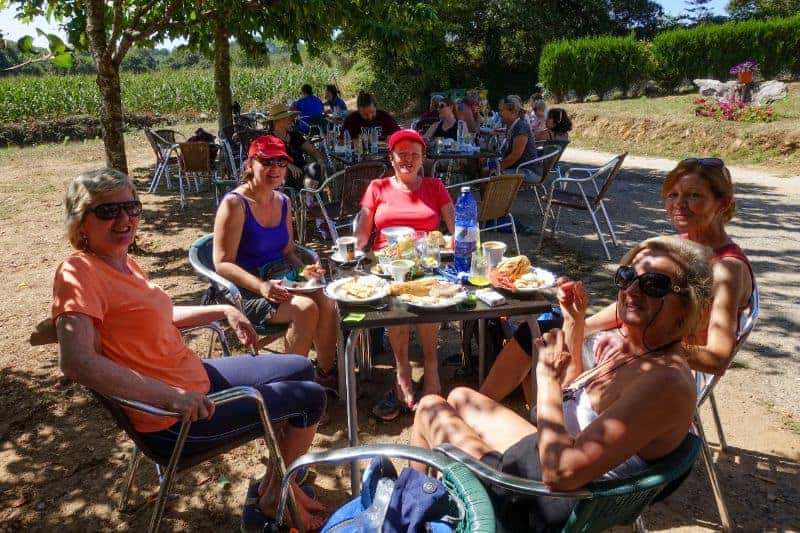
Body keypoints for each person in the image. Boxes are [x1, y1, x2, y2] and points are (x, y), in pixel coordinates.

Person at [52, 169, 327, 530]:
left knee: (301, 368)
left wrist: (223, 309)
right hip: (174, 417)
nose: (124, 219)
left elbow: (158, 313)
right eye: (107, 211)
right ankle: (275, 492)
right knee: (311, 398)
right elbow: (77, 361)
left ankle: (278, 479)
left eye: (131, 208)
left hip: (191, 376)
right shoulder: (78, 272)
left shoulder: (121, 260)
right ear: (81, 221)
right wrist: (169, 396)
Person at [411, 236, 713, 531]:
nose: (633, 289)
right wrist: (574, 322)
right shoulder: (642, 352)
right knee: (462, 396)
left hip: (538, 500)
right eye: (627, 276)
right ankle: (426, 504)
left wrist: (545, 379)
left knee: (429, 408)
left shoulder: (665, 384)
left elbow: (562, 473)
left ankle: (414, 511)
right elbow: (575, 402)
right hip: (545, 461)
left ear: (688, 308)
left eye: (654, 284)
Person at [480, 157, 754, 405]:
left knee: (537, 337)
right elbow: (635, 302)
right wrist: (580, 326)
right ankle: (517, 413)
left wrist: (636, 346)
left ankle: (493, 411)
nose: (678, 205)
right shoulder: (679, 246)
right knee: (543, 327)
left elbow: (717, 359)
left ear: (723, 203)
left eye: (694, 195)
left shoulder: (727, 270)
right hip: (635, 346)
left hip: (657, 365)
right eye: (673, 195)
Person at [213, 135, 339, 392]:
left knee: (327, 300)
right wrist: (261, 287)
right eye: (267, 161)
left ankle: (325, 373)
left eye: (281, 162)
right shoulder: (235, 204)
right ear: (250, 164)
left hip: (281, 280)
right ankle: (292, 388)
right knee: (304, 309)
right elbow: (222, 263)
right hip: (244, 290)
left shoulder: (283, 201)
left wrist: (302, 270)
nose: (275, 168)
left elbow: (288, 251)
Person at [354, 129, 455, 420]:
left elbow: (456, 229)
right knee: (397, 304)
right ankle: (402, 371)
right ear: (392, 158)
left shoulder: (435, 186)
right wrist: (359, 238)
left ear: (423, 158)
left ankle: (431, 367)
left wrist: (449, 240)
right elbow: (362, 235)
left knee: (427, 298)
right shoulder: (378, 187)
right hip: (387, 264)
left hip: (426, 262)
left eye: (414, 154)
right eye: (402, 154)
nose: (408, 160)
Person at [264, 102, 326, 190]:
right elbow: (271, 159)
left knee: (315, 167)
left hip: (303, 170)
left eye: (290, 117)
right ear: (276, 121)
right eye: (286, 117)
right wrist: (288, 165)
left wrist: (320, 160)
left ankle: (308, 196)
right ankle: (310, 196)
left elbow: (312, 150)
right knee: (309, 176)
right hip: (284, 175)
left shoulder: (294, 135)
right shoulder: (269, 139)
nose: (290, 120)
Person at [484, 95, 538, 179]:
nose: (499, 113)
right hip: (517, 168)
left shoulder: (521, 126)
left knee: (488, 174)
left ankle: (494, 192)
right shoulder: (513, 125)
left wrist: (497, 169)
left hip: (527, 170)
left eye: (502, 111)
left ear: (513, 112)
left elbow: (515, 155)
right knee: (485, 169)